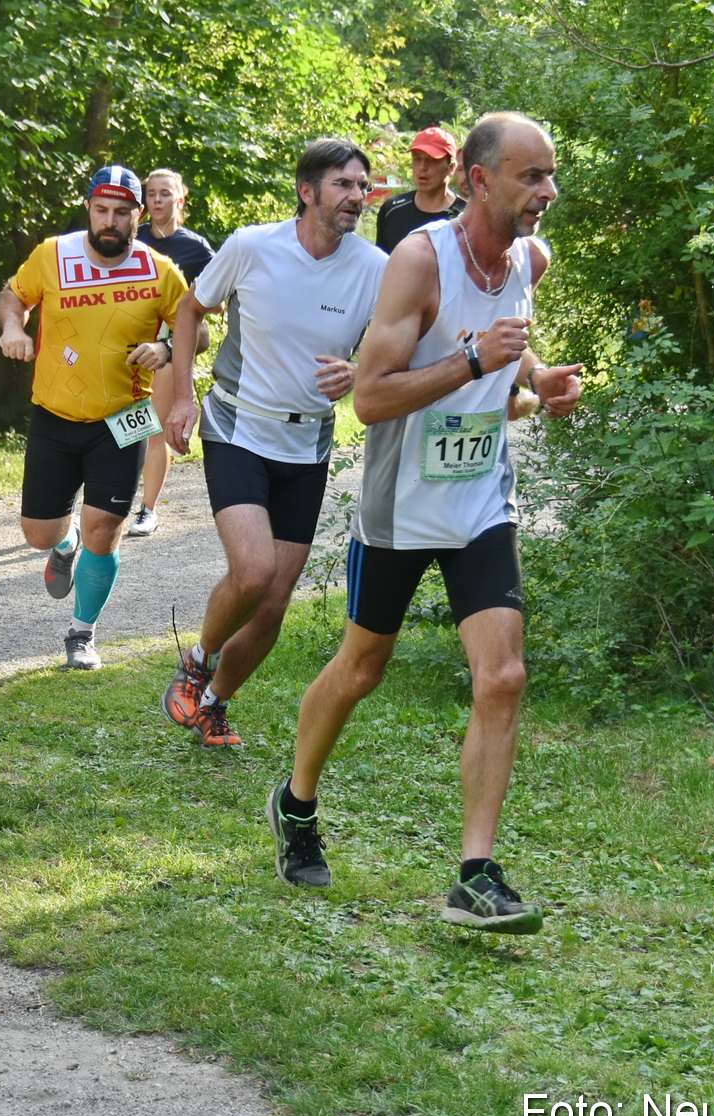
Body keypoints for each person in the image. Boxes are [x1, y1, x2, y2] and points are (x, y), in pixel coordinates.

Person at [277, 112, 583, 933]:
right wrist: (471, 363)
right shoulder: (420, 260)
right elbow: (371, 398)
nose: (547, 192)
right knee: (362, 666)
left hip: (481, 497)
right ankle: (296, 800)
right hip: (402, 503)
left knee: (504, 674)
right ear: (480, 180)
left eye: (550, 175)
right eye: (531, 177)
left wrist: (541, 377)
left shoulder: (529, 258)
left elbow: (511, 345)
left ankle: (475, 874)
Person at [161, 138, 388, 746]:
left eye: (362, 187)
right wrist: (182, 396)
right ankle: (198, 660)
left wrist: (361, 372)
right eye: (344, 185)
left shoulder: (375, 267)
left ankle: (214, 704)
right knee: (255, 570)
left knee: (271, 606)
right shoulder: (252, 246)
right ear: (306, 190)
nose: (357, 198)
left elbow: (403, 343)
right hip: (237, 427)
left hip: (308, 443)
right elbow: (190, 311)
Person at [0, 165, 191, 670]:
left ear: (138, 215)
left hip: (123, 419)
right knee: (39, 533)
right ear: (88, 208)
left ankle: (81, 634)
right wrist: (13, 328)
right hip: (55, 415)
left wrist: (165, 347)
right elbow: (11, 296)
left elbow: (195, 330)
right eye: (102, 210)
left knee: (107, 528)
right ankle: (65, 544)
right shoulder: (52, 255)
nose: (110, 220)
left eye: (122, 212)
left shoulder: (159, 269)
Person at [129, 168, 216, 538]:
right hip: (125, 339)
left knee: (152, 426)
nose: (158, 200)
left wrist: (189, 305)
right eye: (151, 194)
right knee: (118, 426)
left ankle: (147, 510)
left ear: (180, 200)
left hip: (169, 342)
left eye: (166, 193)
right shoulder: (132, 240)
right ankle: (112, 501)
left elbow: (217, 303)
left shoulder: (194, 248)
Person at [374, 126, 465, 256]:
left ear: (451, 167)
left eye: (432, 160)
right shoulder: (392, 211)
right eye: (417, 159)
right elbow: (381, 268)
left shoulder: (465, 216)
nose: (423, 167)